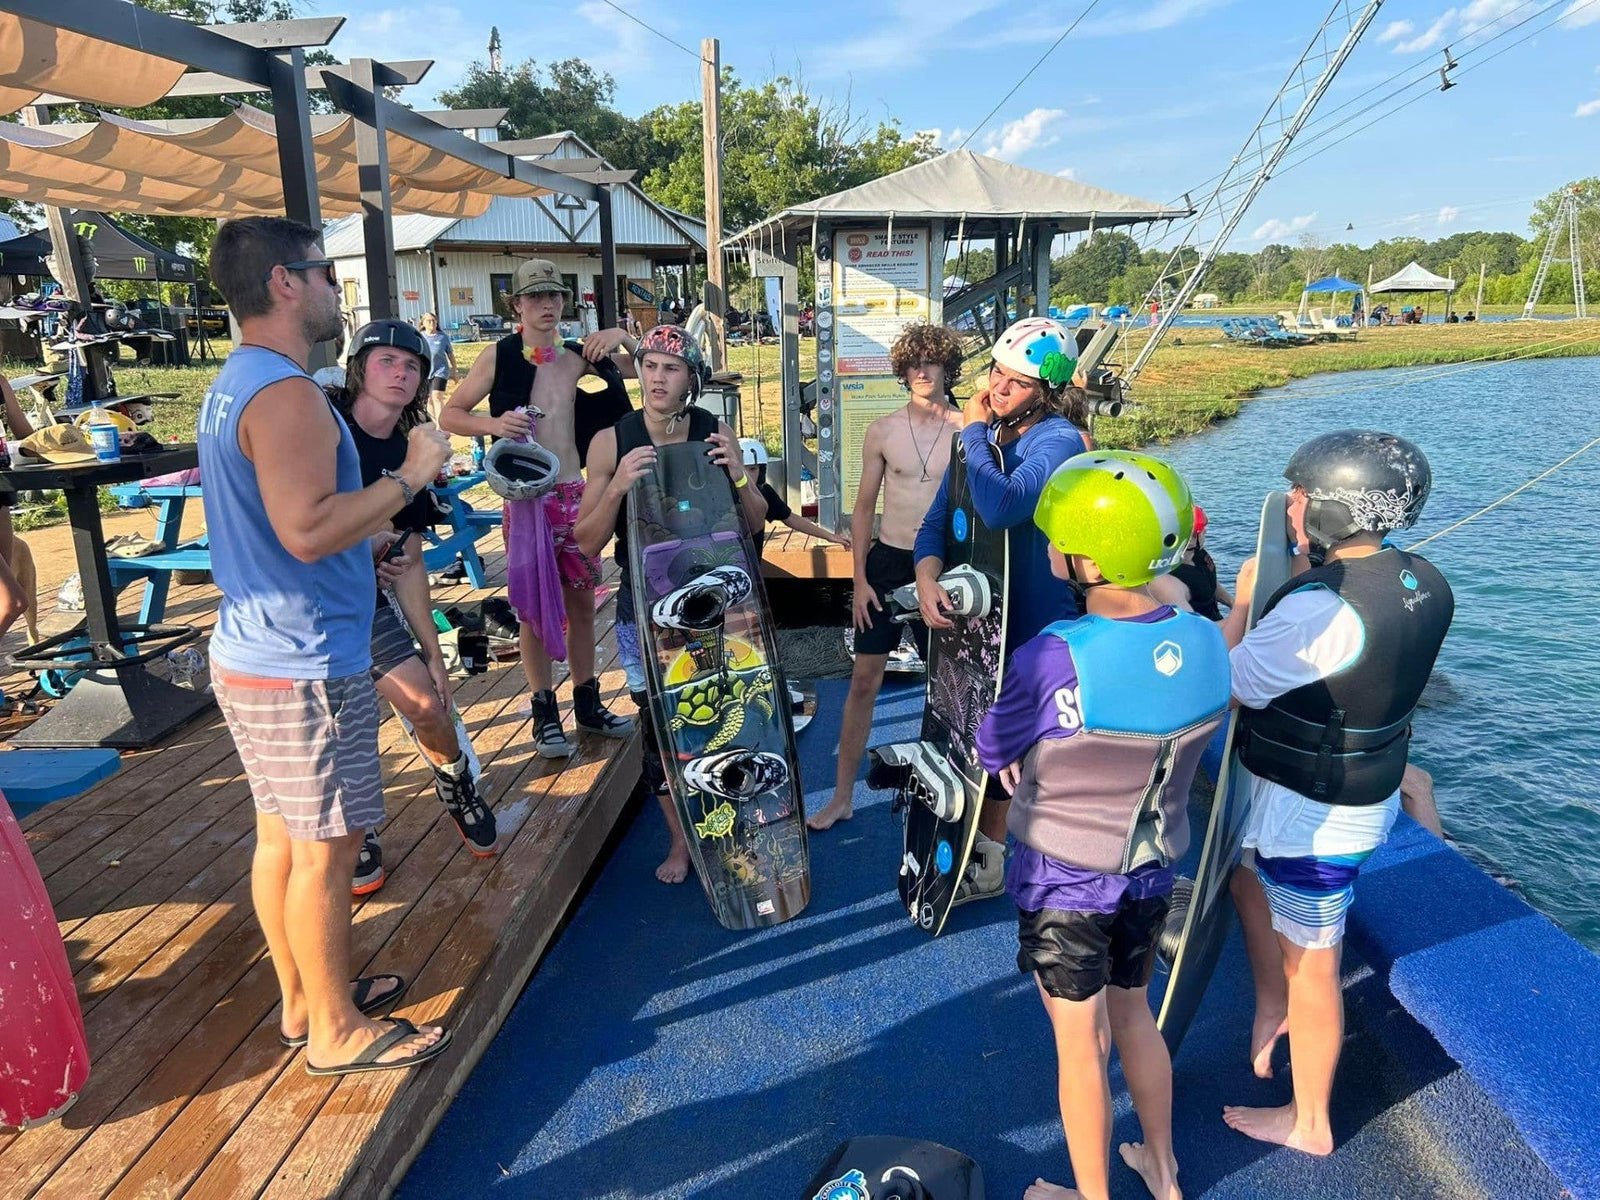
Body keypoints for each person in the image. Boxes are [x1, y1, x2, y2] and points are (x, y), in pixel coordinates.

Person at [198, 216, 451, 1076]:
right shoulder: (289, 394)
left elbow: (289, 524)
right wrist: (410, 473)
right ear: (283, 282)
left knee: (282, 838)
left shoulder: (239, 380)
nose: (336, 291)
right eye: (326, 274)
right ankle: (339, 1033)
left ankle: (306, 1004)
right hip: (302, 659)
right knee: (328, 848)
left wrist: (364, 538)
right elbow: (306, 530)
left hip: (257, 647)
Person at [977, 451, 1229, 1200]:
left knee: (1079, 1048)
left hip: (1065, 878)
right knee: (1134, 1015)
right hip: (1154, 868)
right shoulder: (1207, 637)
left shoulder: (1053, 655)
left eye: (1055, 536)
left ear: (1083, 558)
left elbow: (995, 745)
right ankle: (1164, 1166)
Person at [1222, 430, 1453, 1155]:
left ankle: (1310, 1121)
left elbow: (1229, 682)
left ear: (1332, 508)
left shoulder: (1317, 608)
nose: (1292, 506)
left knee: (1315, 968)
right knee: (1241, 878)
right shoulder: (1424, 580)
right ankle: (1271, 1006)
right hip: (1356, 795)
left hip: (1310, 815)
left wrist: (1246, 601)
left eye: (1301, 497)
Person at [574, 324, 766, 884]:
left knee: (732, 722)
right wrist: (615, 488)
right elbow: (585, 543)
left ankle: (737, 829)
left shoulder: (712, 431)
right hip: (645, 609)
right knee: (662, 734)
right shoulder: (612, 439)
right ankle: (682, 841)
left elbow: (755, 524)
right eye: (650, 365)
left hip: (721, 608)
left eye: (671, 368)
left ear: (691, 378)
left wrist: (739, 474)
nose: (657, 377)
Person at [909, 316, 1088, 896]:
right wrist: (926, 577)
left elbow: (1002, 506)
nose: (998, 388)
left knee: (1022, 745)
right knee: (977, 735)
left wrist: (973, 432)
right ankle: (983, 853)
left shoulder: (1055, 439)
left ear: (1046, 393)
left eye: (1017, 382)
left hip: (1037, 621)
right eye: (996, 373)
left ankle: (1024, 860)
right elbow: (938, 519)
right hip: (981, 616)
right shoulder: (987, 439)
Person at [329, 320, 499, 896]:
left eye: (412, 365)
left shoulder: (413, 448)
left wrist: (432, 648)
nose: (400, 373)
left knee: (429, 701)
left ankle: (457, 783)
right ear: (358, 366)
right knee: (341, 722)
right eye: (386, 361)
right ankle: (357, 828)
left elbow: (407, 559)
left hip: (369, 599)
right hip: (311, 604)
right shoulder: (323, 427)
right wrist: (363, 545)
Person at [439, 258, 636, 757]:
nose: (546, 306)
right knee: (530, 609)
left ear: (564, 303)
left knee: (583, 604)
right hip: (526, 501)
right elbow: (450, 413)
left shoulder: (576, 356)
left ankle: (588, 703)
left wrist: (620, 335)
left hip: (576, 494)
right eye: (535, 298)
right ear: (517, 305)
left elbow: (649, 365)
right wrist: (493, 425)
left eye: (554, 297)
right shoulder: (499, 355)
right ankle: (544, 711)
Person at [807, 322, 964, 833]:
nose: (921, 370)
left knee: (951, 688)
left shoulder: (968, 429)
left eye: (931, 361)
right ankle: (842, 797)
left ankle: (957, 792)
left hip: (941, 566)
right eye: (912, 363)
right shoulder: (883, 430)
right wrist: (859, 580)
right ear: (902, 372)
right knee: (862, 682)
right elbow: (862, 507)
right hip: (888, 563)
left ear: (945, 367)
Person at [738, 437, 850, 555]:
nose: (747, 476)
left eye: (752, 469)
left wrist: (829, 536)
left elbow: (790, 518)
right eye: (741, 470)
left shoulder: (765, 493)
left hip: (750, 567)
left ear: (761, 471)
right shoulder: (723, 495)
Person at [1149, 504, 1233, 621]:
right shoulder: (1167, 580)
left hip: (1219, 621)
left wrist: (1232, 603)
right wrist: (1240, 614)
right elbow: (1192, 628)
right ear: (1190, 538)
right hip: (1206, 633)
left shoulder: (1199, 554)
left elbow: (1208, 582)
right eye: (1202, 529)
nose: (1206, 531)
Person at [418, 313, 457, 418]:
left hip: (440, 371)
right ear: (423, 323)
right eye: (429, 321)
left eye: (434, 320)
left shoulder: (442, 337)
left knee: (437, 396)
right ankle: (434, 423)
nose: (432, 323)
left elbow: (450, 355)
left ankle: (441, 424)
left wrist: (454, 370)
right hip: (425, 372)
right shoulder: (420, 337)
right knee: (428, 399)